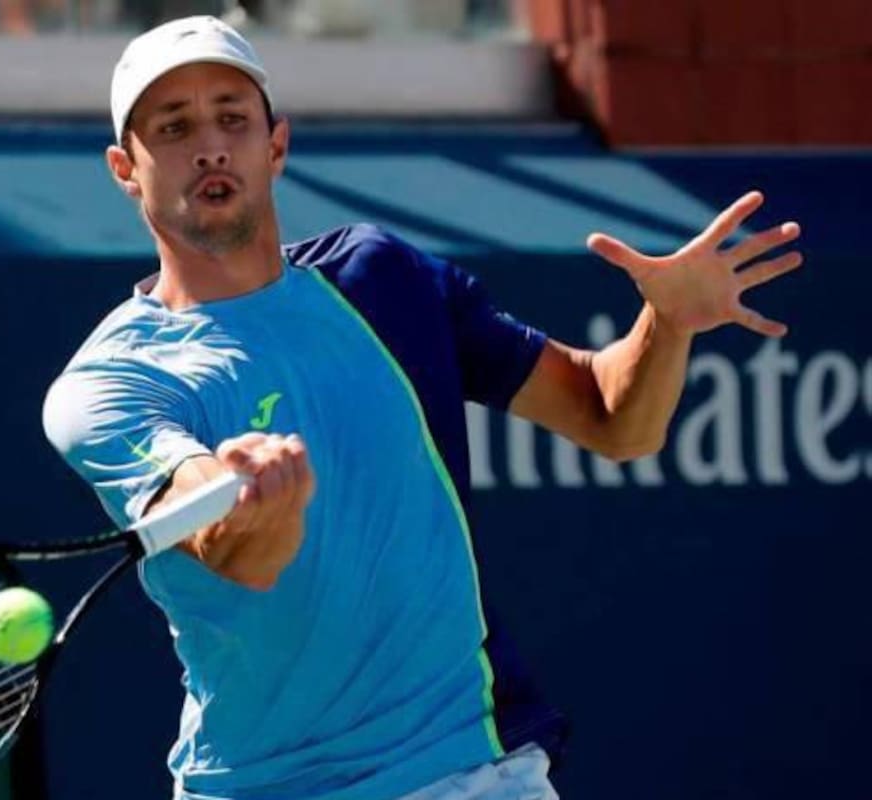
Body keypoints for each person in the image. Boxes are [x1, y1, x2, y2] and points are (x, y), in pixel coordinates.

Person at [42, 15, 802, 800]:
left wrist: (665, 324)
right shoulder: (107, 384)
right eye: (173, 128)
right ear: (124, 169)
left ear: (276, 146)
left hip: (470, 773)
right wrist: (252, 498)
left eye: (233, 118)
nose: (209, 146)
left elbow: (613, 418)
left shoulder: (383, 281)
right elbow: (239, 553)